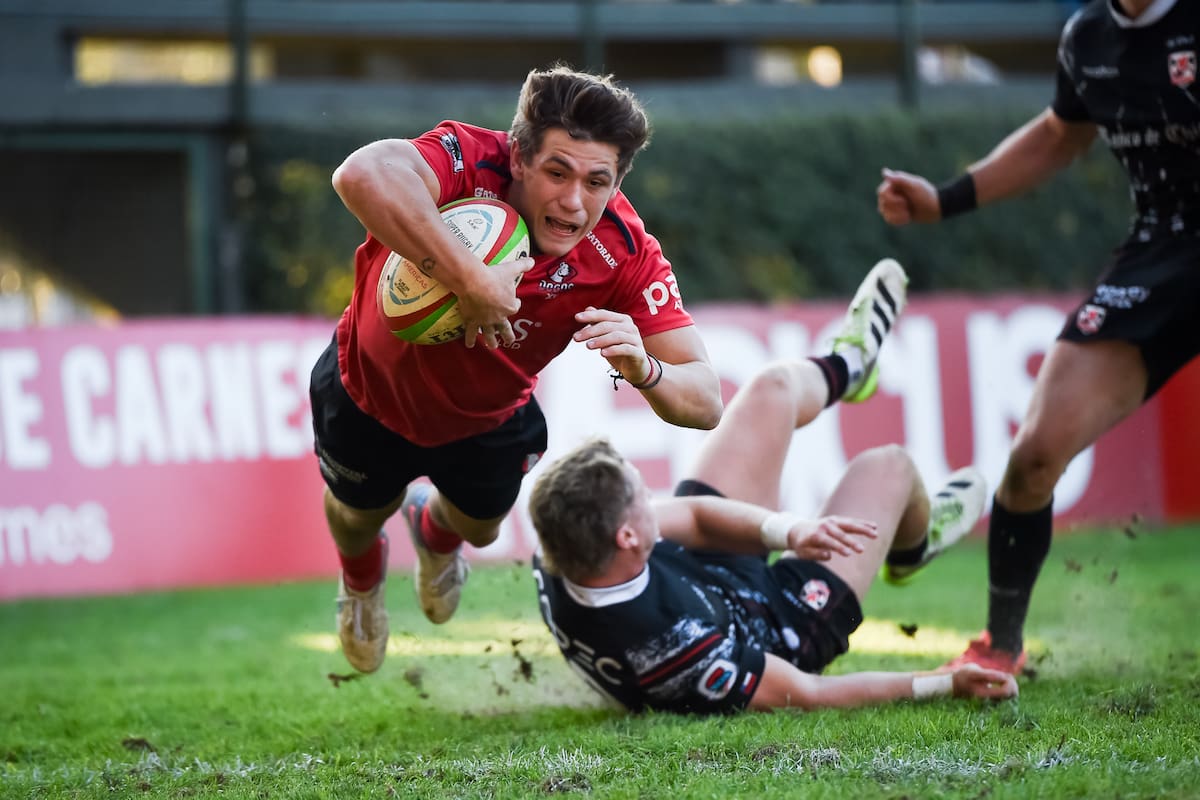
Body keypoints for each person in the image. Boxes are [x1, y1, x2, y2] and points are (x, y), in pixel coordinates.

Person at [311, 65, 727, 674]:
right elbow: (360, 175)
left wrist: (645, 369)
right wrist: (469, 278)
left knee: (479, 531)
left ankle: (433, 532)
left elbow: (707, 399)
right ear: (520, 158)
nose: (573, 201)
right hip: (366, 391)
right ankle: (361, 580)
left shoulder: (622, 250)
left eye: (596, 182)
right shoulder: (470, 161)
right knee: (356, 517)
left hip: (486, 419)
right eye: (557, 172)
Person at [529, 260, 1020, 714]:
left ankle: (849, 365)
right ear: (627, 537)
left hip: (704, 574)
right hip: (779, 626)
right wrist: (943, 683)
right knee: (888, 466)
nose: (651, 498)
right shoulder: (677, 650)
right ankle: (913, 546)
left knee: (772, 391)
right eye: (640, 497)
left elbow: (696, 517)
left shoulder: (564, 541)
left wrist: (788, 532)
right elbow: (809, 692)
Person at [875, 0, 1199, 674]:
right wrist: (947, 197)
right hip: (1162, 252)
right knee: (1033, 459)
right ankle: (1002, 647)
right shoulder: (1087, 37)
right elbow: (1058, 135)